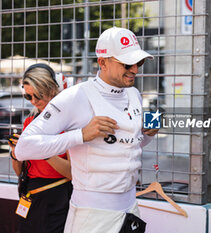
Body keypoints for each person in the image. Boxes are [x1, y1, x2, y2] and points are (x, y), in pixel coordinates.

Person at [15, 26, 158, 233]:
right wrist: (80, 135)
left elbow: (127, 147)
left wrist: (146, 134)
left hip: (130, 209)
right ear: (103, 62)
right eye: (127, 63)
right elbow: (23, 148)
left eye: (139, 62)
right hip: (92, 214)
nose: (135, 69)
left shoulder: (134, 94)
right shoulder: (76, 96)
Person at [9, 63, 72, 233]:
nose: (35, 102)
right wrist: (16, 154)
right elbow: (20, 172)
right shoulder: (30, 122)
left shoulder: (69, 122)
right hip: (30, 195)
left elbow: (72, 173)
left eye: (39, 95)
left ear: (52, 89)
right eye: (28, 97)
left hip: (58, 197)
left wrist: (43, 150)